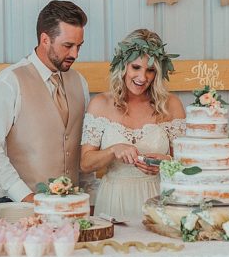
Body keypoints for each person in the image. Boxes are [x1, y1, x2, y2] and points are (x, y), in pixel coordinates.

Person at [0, 0, 90, 203]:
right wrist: (25, 196)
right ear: (45, 39)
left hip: (71, 208)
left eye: (79, 46)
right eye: (68, 46)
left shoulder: (79, 82)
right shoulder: (9, 82)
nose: (75, 54)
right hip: (20, 208)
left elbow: (83, 146)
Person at [80, 29, 186, 221]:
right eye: (136, 67)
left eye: (150, 70)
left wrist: (166, 163)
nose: (142, 77)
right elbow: (86, 164)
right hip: (113, 200)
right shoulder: (100, 104)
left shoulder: (171, 105)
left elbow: (187, 165)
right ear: (123, 65)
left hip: (158, 199)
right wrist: (113, 150)